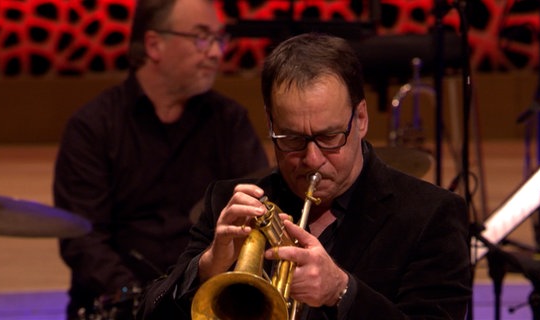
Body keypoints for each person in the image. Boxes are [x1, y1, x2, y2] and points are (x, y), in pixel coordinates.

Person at [136, 33, 472, 319]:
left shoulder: (432, 216)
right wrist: (208, 267)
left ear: (362, 118)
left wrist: (342, 291)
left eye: (329, 137)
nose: (312, 159)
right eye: (292, 139)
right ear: (270, 124)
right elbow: (150, 311)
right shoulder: (230, 202)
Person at [53, 0, 269, 319]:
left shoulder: (229, 121)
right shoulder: (92, 127)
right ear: (154, 44)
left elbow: (257, 213)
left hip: (203, 298)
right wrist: (147, 303)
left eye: (218, 39)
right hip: (123, 306)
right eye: (201, 37)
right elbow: (83, 240)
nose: (215, 53)